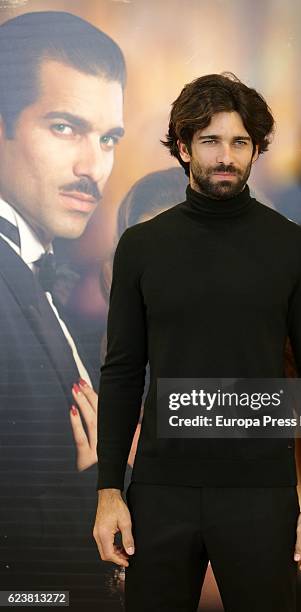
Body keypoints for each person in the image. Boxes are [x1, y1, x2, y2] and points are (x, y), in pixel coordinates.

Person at [94, 72, 301, 611]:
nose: (226, 156)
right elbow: (122, 371)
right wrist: (109, 491)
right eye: (210, 140)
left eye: (239, 142)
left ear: (255, 150)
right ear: (183, 148)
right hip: (160, 496)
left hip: (262, 497)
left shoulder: (294, 248)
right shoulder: (140, 247)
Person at [0, 11, 126, 609]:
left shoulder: (30, 268)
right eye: (64, 127)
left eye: (107, 139)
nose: (92, 167)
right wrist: (98, 487)